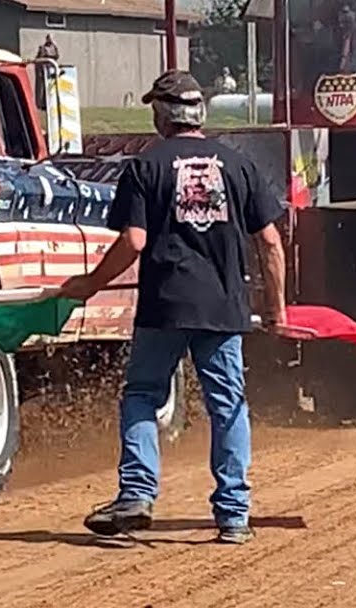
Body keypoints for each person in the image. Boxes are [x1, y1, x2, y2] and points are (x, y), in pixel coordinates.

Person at [57, 69, 288, 545]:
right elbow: (269, 241)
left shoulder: (145, 167)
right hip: (223, 309)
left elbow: (134, 240)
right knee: (228, 406)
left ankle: (137, 495)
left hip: (163, 306)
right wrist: (278, 309)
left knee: (143, 394)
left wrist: (91, 283)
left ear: (162, 114)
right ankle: (233, 516)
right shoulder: (238, 165)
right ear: (199, 113)